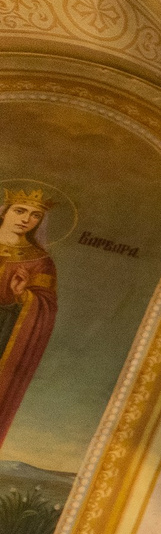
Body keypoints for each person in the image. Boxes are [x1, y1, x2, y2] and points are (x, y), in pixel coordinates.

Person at [0, 184, 57, 449]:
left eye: (35, 215)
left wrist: (23, 295)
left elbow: (45, 306)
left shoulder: (39, 261)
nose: (27, 219)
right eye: (20, 210)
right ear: (4, 211)